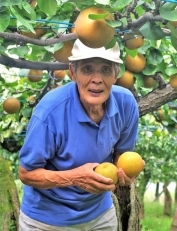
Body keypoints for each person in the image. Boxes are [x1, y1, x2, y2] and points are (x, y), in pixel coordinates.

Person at [18, 39, 139, 230]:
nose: (97, 79)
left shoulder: (126, 104)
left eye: (106, 69)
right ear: (73, 73)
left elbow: (121, 155)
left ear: (116, 74)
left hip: (99, 215)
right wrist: (74, 178)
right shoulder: (50, 111)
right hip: (46, 220)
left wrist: (124, 171)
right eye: (87, 69)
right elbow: (26, 173)